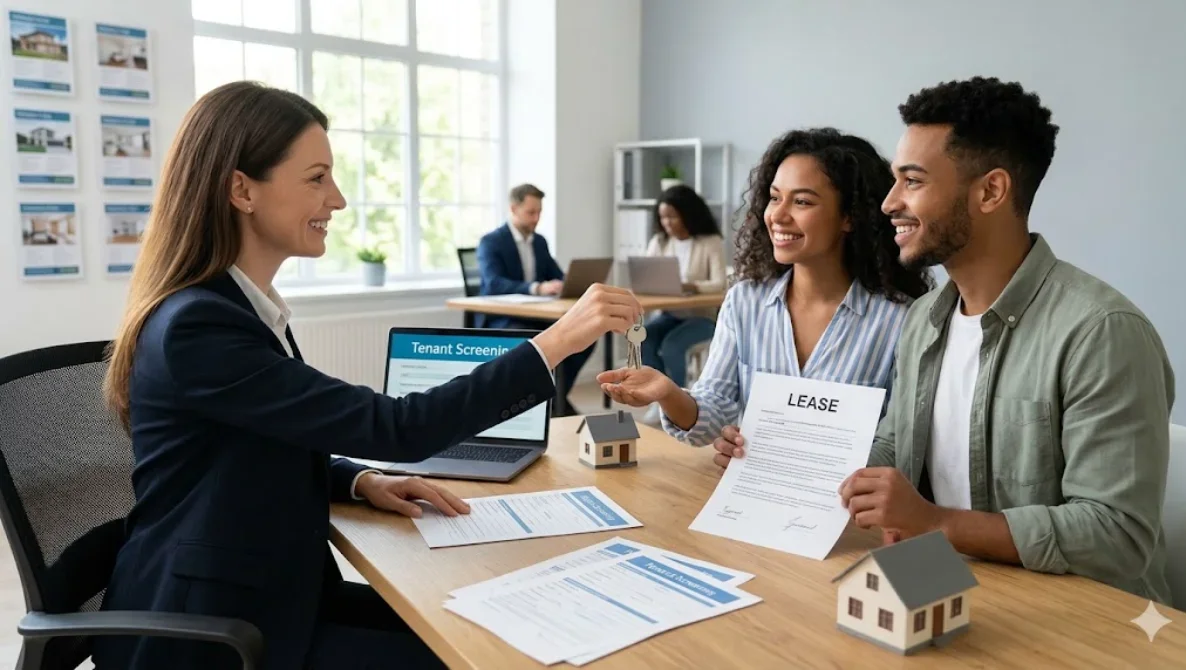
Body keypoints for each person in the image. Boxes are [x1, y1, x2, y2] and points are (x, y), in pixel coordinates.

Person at [93, 82, 641, 670]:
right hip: (211, 632)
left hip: (270, 592)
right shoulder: (198, 326)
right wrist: (554, 342)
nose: (338, 200)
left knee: (473, 635)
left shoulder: (235, 307)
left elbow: (256, 443)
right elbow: (399, 428)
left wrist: (358, 483)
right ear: (240, 189)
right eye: (316, 177)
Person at [836, 77, 1174, 605]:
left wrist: (936, 523)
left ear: (991, 191)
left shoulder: (1101, 332)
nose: (888, 203)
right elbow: (894, 449)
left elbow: (1116, 535)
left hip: (1088, 621)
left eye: (912, 181)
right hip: (957, 590)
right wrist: (778, 454)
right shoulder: (924, 318)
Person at [599, 128, 933, 456]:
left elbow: (902, 443)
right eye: (775, 198)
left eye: (801, 201)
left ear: (849, 217)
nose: (777, 215)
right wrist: (669, 393)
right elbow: (715, 410)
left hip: (850, 506)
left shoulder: (900, 318)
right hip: (754, 498)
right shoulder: (745, 301)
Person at [476, 184, 594, 415]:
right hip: (503, 319)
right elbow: (493, 283)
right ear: (513, 208)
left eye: (539, 212)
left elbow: (556, 274)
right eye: (531, 213)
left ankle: (552, 399)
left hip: (537, 315)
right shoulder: (491, 242)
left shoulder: (539, 242)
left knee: (586, 333)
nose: (536, 218)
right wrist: (536, 288)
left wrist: (567, 283)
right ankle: (548, 403)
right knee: (533, 339)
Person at [639, 184, 726, 390]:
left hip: (703, 317)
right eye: (663, 217)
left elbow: (720, 284)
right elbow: (647, 276)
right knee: (643, 338)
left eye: (672, 216)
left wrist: (691, 286)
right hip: (670, 315)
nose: (667, 223)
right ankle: (658, 393)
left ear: (688, 215)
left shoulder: (711, 242)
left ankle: (674, 396)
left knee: (671, 345)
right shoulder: (659, 242)